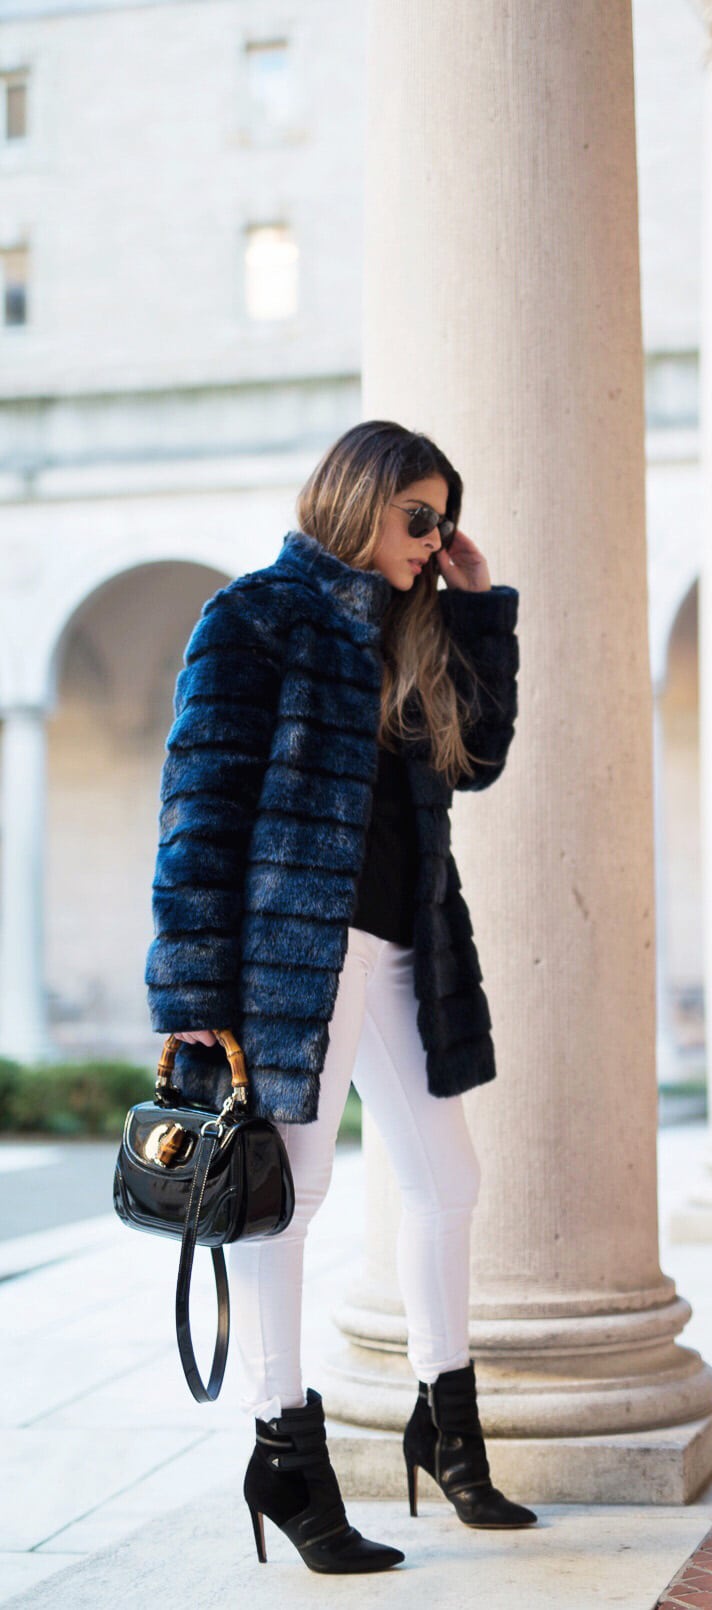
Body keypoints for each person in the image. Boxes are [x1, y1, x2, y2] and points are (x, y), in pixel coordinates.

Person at [144, 420, 535, 1575]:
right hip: (292, 961)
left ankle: (446, 1428)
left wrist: (474, 605)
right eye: (418, 517)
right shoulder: (253, 616)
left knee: (447, 1180)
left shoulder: (412, 634)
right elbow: (197, 812)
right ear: (355, 499)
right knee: (287, 1197)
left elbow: (481, 756)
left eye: (442, 519)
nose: (432, 538)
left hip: (410, 943)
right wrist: (187, 988)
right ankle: (285, 1451)